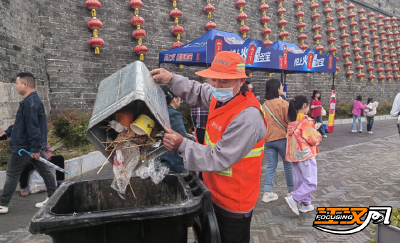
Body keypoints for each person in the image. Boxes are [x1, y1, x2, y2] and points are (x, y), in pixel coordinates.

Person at [151, 51, 267, 243]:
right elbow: (197, 90)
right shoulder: (221, 97)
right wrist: (171, 79)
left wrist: (182, 145)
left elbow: (218, 157)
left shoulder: (248, 118)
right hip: (211, 190)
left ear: (240, 81)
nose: (216, 86)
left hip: (233, 202)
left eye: (223, 81)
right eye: (213, 79)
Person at [0, 72, 57, 214]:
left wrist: (35, 149)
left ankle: (3, 204)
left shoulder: (30, 104)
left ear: (25, 85)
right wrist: (7, 132)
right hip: (31, 146)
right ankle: (54, 198)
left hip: (25, 147)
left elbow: (33, 128)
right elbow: (22, 125)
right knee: (44, 171)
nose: (16, 86)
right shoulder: (30, 101)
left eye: (17, 83)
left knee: (12, 173)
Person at [284, 95, 321, 216]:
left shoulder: (292, 122)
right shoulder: (306, 122)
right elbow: (314, 139)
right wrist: (318, 134)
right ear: (305, 106)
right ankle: (294, 198)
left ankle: (305, 204)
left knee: (300, 181)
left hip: (294, 156)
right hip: (306, 155)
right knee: (311, 182)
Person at [261, 79, 293, 203]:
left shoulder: (263, 106)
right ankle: (292, 190)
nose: (282, 88)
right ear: (276, 89)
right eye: (281, 86)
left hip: (268, 140)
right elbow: (290, 121)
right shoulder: (284, 103)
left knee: (271, 166)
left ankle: (267, 192)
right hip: (282, 139)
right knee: (288, 165)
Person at [160, 86, 196, 173]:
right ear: (175, 100)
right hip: (173, 163)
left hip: (160, 160)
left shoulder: (159, 112)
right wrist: (193, 138)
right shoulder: (174, 115)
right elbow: (182, 141)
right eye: (179, 98)